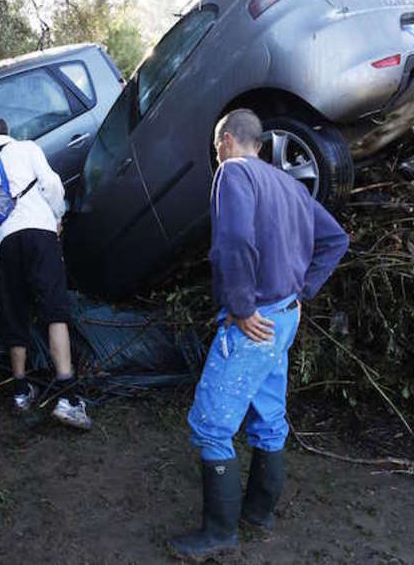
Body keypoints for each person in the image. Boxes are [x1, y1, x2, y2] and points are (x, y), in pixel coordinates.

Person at [169, 109, 349, 560]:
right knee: (268, 418)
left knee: (212, 424)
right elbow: (335, 239)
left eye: (216, 147)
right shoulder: (288, 183)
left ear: (228, 141)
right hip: (285, 316)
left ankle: (219, 535)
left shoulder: (233, 174)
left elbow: (234, 242)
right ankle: (259, 513)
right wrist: (303, 289)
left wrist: (242, 306)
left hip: (256, 320)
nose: (216, 155)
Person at [0, 116, 92, 430]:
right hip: (40, 234)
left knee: (15, 311)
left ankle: (20, 392)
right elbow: (52, 185)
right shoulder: (27, 149)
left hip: (8, 244)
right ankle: (67, 399)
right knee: (54, 311)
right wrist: (57, 216)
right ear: (8, 132)